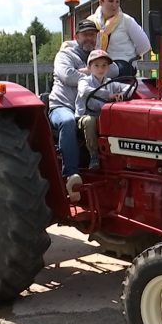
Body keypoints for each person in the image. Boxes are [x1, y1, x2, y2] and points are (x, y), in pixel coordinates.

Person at [49, 19, 119, 201]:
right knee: (68, 121)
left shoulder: (98, 55)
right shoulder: (65, 55)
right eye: (86, 34)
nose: (89, 38)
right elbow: (67, 75)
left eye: (93, 35)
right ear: (76, 36)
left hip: (89, 108)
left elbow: (115, 71)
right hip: (63, 106)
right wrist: (93, 72)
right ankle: (71, 176)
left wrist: (92, 68)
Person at [76, 50, 126, 171]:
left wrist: (122, 94)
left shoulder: (109, 82)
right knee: (90, 121)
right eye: (96, 65)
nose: (100, 69)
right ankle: (94, 156)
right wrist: (108, 95)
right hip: (84, 117)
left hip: (103, 117)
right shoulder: (84, 81)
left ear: (108, 67)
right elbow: (84, 91)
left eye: (104, 65)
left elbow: (128, 87)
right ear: (89, 67)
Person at [87, 0, 151, 77]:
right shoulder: (91, 21)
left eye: (117, 2)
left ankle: (87, 72)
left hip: (122, 63)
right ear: (101, 2)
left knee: (102, 71)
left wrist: (131, 55)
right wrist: (68, 44)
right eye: (111, 1)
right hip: (97, 62)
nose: (115, 5)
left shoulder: (126, 20)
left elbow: (145, 45)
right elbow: (81, 41)